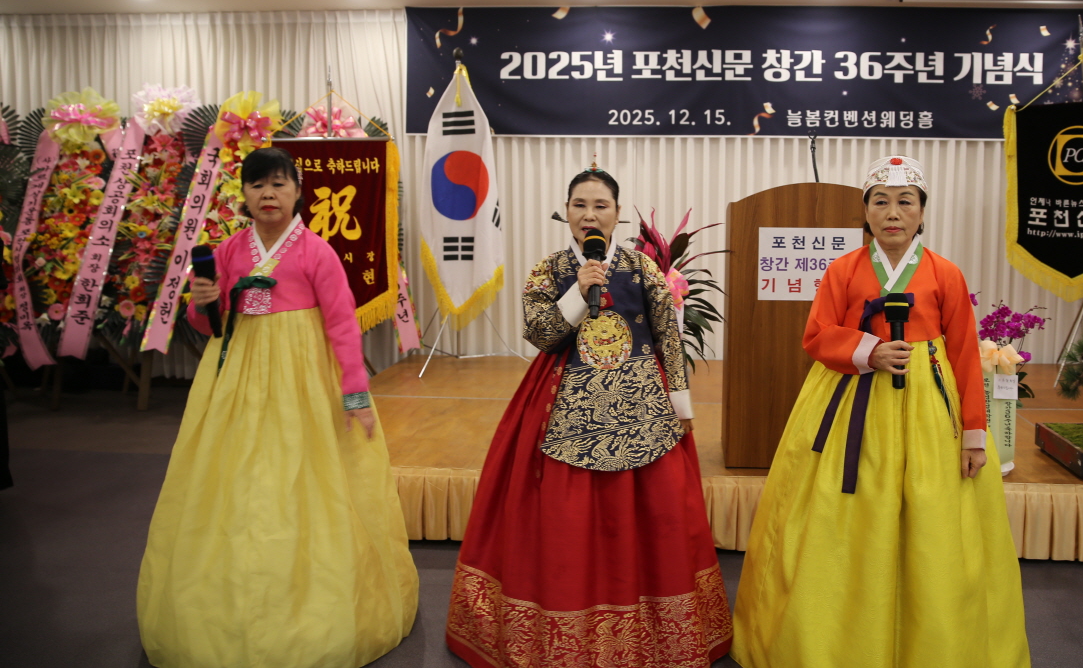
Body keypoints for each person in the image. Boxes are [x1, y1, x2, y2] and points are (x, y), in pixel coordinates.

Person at [731, 156, 1030, 668]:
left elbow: (963, 352)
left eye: (905, 202)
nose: (893, 213)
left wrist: (974, 435)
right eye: (881, 202)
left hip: (928, 408)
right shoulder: (843, 270)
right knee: (841, 515)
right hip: (853, 401)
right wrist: (868, 350)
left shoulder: (946, 274)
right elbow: (817, 335)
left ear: (922, 212)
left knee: (933, 522)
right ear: (866, 211)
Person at [136, 147, 418, 668]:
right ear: (243, 195)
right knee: (235, 477)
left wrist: (355, 395)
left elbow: (342, 327)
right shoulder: (228, 251)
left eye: (279, 184)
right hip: (238, 380)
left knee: (306, 476)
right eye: (257, 185)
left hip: (303, 380)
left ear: (297, 192)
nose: (268, 194)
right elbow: (209, 327)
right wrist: (203, 303)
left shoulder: (317, 252)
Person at [446, 164, 732, 668]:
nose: (590, 215)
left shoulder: (643, 269)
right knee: (561, 517)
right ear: (566, 212)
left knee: (656, 515)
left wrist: (680, 404)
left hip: (642, 408)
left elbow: (667, 336)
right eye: (580, 205)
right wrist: (578, 292)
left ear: (617, 214)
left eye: (601, 206)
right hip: (563, 404)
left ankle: (657, 634)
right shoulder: (550, 269)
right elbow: (540, 334)